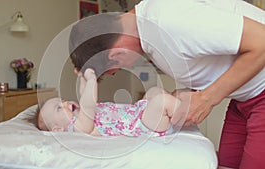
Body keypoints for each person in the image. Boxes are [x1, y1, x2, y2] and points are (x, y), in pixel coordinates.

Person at [68, 0, 265, 168]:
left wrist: (205, 99)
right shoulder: (150, 32)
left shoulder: (170, 21)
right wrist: (188, 93)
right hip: (244, 99)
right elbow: (209, 55)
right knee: (226, 164)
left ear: (116, 55)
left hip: (261, 93)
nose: (127, 66)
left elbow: (262, 41)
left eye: (117, 69)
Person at [37, 68, 180, 137]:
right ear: (58, 129)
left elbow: (83, 94)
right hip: (142, 126)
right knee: (162, 101)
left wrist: (82, 75)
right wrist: (92, 80)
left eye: (62, 101)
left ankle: (175, 111)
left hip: (138, 112)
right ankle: (186, 111)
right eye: (59, 108)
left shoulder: (83, 116)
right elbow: (88, 102)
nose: (65, 103)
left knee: (154, 91)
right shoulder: (78, 128)